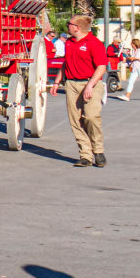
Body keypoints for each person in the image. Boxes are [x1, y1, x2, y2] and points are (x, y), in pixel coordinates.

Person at [49, 15, 108, 168]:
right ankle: (85, 155)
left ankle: (98, 150)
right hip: (72, 84)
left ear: (77, 27)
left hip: (91, 83)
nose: (67, 25)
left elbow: (101, 67)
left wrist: (90, 86)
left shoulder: (94, 43)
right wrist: (57, 82)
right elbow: (65, 64)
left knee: (91, 117)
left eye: (70, 24)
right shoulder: (69, 42)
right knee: (75, 120)